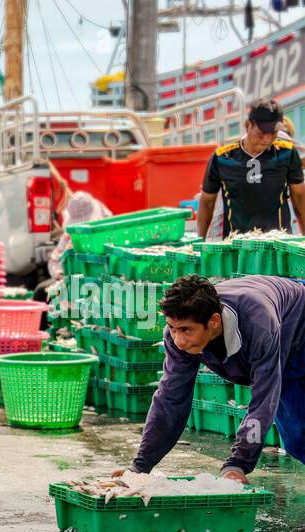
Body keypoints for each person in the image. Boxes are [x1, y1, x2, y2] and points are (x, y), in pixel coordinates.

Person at [122, 274, 305, 482]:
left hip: (298, 320)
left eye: (186, 330)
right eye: (172, 328)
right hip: (275, 339)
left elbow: (264, 399)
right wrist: (140, 466)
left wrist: (237, 464)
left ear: (215, 321)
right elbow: (170, 399)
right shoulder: (177, 337)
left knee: (298, 429)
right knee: (297, 438)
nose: (179, 340)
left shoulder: (259, 324)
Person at [197, 97, 305, 239]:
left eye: (273, 133)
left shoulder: (287, 153)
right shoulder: (222, 158)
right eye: (262, 132)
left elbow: (299, 197)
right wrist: (200, 241)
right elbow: (207, 202)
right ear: (247, 125)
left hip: (278, 244)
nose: (267, 139)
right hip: (236, 246)